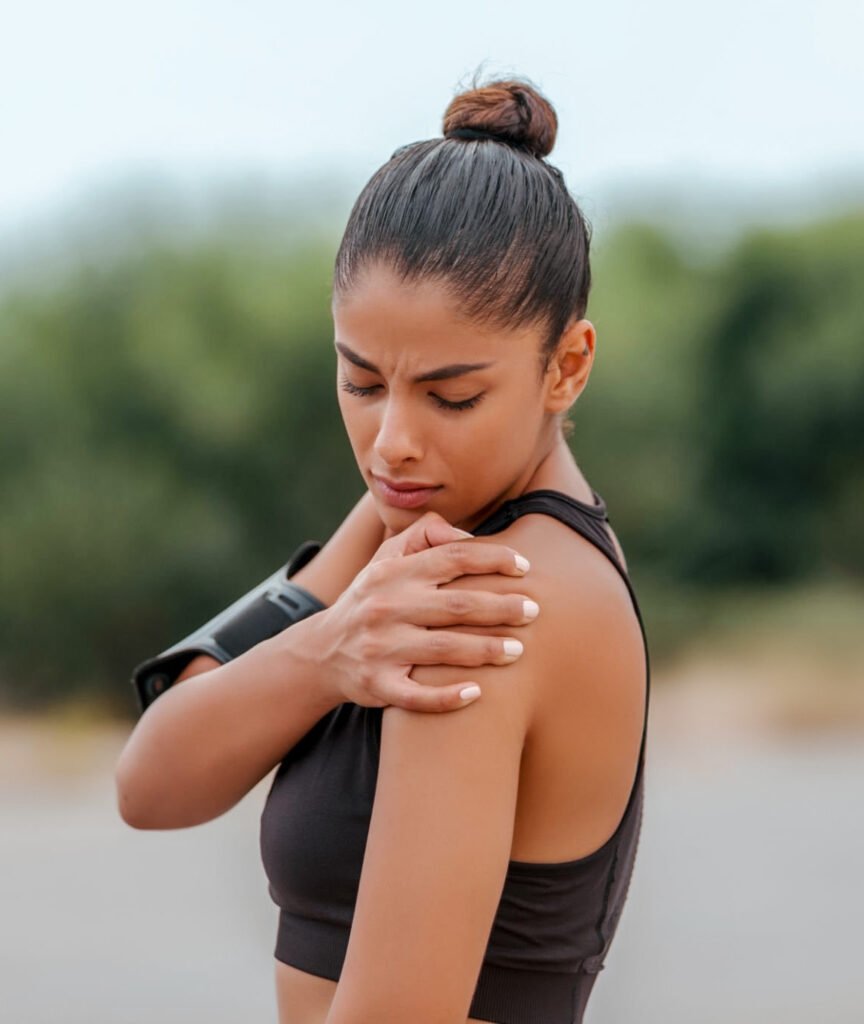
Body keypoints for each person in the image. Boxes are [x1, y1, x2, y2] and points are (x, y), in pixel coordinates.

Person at [115, 74, 650, 1024]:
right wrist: (327, 652)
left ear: (567, 366)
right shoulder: (411, 519)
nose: (393, 440)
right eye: (361, 380)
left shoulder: (488, 597)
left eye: (451, 397)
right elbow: (152, 781)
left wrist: (337, 640)